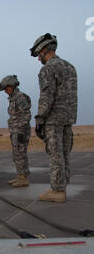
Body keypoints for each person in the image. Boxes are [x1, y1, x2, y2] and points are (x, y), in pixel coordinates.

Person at [30, 33, 78, 202]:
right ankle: (62, 186)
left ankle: (57, 190)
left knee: (55, 154)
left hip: (53, 118)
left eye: (38, 55)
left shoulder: (48, 68)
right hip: (68, 118)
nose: (38, 59)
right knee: (65, 153)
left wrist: (39, 119)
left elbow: (47, 96)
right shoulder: (70, 67)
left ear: (44, 50)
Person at [0, 75, 31, 187]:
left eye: (6, 89)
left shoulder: (19, 97)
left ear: (12, 86)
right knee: (16, 154)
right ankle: (20, 176)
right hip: (15, 131)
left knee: (20, 154)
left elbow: (27, 115)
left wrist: (19, 129)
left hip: (20, 131)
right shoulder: (13, 98)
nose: (5, 92)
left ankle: (24, 178)